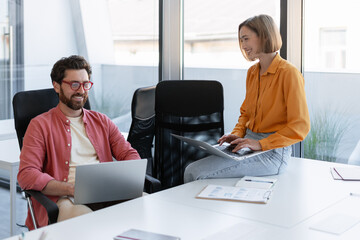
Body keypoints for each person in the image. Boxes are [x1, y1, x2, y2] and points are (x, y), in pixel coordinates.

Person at [17, 55, 140, 230]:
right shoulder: (40, 125)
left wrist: (120, 181)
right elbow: (27, 174)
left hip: (104, 191)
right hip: (64, 198)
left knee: (144, 203)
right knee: (89, 224)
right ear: (57, 86)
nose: (81, 91)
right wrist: (69, 188)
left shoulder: (102, 121)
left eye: (85, 84)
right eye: (74, 84)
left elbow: (129, 154)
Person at [184, 14, 310, 182]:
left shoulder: (289, 74)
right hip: (248, 144)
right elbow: (246, 114)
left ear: (264, 36)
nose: (243, 46)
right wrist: (237, 134)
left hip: (273, 152)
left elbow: (300, 126)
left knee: (196, 173)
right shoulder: (252, 73)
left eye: (246, 39)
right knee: (190, 169)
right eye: (241, 40)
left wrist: (260, 144)